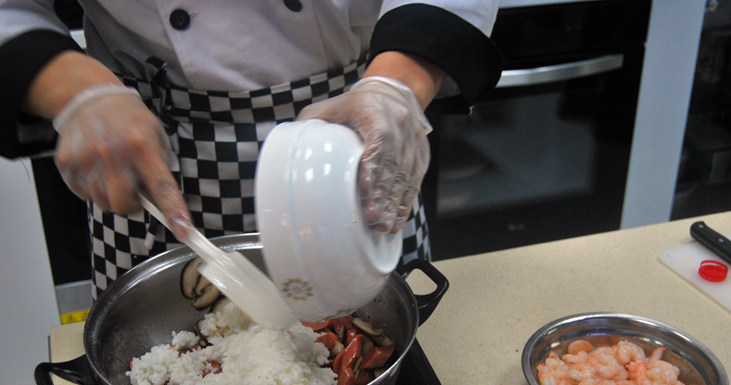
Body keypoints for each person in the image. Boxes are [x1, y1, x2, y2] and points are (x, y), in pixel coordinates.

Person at [0, 1, 502, 298]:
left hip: (354, 137)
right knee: (158, 376)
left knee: (388, 360)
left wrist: (398, 86)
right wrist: (76, 92)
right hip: (150, 148)